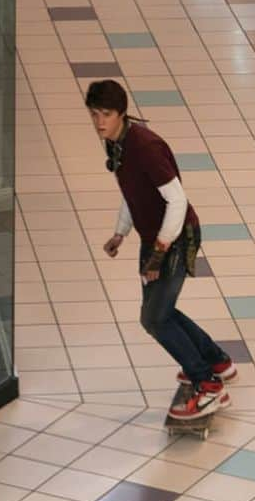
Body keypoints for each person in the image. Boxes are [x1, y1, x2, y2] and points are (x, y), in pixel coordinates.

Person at [85, 80, 236, 420]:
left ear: (121, 113)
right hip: (153, 235)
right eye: (94, 114)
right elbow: (130, 190)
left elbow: (177, 200)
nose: (99, 122)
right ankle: (216, 360)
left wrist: (159, 252)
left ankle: (209, 386)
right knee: (160, 310)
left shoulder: (144, 147)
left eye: (105, 115)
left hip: (175, 236)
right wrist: (121, 232)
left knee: (153, 317)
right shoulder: (116, 143)